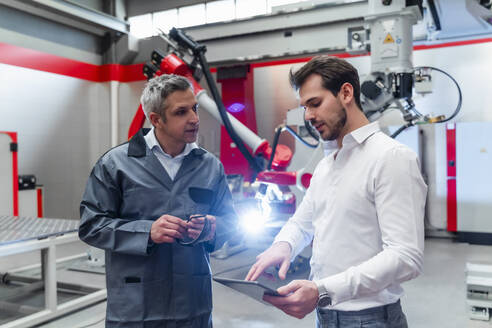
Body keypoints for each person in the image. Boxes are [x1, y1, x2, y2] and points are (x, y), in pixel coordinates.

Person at [246, 56, 427, 328]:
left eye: (315, 103)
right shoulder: (326, 165)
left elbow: (405, 257)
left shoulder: (391, 158)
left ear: (346, 93)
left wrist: (322, 290)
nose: (308, 116)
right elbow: (302, 223)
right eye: (304, 107)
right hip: (327, 316)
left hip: (372, 320)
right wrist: (283, 246)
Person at [79, 74, 237, 328]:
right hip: (135, 306)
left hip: (192, 305)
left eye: (194, 108)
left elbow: (232, 223)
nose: (195, 119)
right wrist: (147, 232)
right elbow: (91, 226)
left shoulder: (210, 167)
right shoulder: (116, 165)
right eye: (181, 112)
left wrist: (212, 227)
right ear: (156, 119)